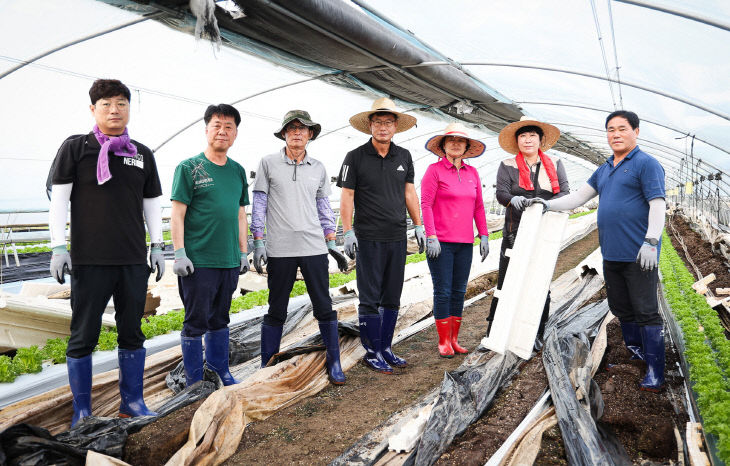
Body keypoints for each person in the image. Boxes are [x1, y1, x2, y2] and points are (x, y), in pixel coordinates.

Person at [523, 110, 666, 392]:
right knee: (622, 309)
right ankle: (635, 355)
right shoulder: (605, 168)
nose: (616, 134)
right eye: (611, 129)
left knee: (646, 311)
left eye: (622, 129)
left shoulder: (646, 164)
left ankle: (655, 369)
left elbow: (658, 204)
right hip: (611, 254)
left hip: (638, 255)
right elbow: (578, 197)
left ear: (636, 132)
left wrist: (651, 240)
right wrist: (547, 204)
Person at [48, 79, 163, 427]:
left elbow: (152, 203)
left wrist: (157, 246)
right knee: (84, 334)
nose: (114, 110)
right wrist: (58, 246)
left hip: (131, 259)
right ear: (93, 109)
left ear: (129, 108)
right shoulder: (76, 148)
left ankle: (132, 402)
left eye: (121, 103)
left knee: (132, 331)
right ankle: (82, 411)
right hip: (89, 259)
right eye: (106, 104)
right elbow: (59, 200)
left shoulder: (141, 153)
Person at [252, 110, 349, 385]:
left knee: (324, 305)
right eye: (292, 128)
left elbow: (322, 207)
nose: (297, 132)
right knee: (276, 309)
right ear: (284, 134)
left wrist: (331, 241)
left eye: (303, 128)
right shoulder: (268, 163)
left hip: (313, 246)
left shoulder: (318, 167)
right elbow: (259, 202)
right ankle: (266, 366)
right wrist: (258, 240)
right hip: (280, 248)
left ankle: (334, 362)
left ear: (310, 135)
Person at [337, 97, 426, 374]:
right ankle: (371, 350)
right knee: (370, 294)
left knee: (392, 294)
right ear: (370, 125)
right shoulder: (355, 157)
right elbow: (347, 195)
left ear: (396, 126)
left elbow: (409, 192)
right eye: (378, 122)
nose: (383, 127)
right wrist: (348, 231)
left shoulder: (404, 156)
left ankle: (386, 347)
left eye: (388, 122)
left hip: (397, 235)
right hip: (368, 236)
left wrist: (419, 224)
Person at [170, 104, 249, 388]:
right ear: (206, 130)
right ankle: (194, 381)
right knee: (195, 321)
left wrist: (243, 251)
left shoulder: (237, 171)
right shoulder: (189, 168)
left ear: (235, 133)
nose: (222, 131)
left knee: (220, 319)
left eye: (229, 127)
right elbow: (177, 214)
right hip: (198, 260)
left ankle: (220, 371)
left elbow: (240, 214)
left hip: (227, 260)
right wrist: (179, 253)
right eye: (217, 125)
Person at [488, 117, 570, 347]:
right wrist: (514, 198)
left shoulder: (554, 162)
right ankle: (495, 330)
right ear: (517, 141)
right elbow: (502, 193)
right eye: (523, 136)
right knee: (506, 280)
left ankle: (535, 332)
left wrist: (548, 205)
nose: (527, 140)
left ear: (541, 140)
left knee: (539, 281)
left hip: (544, 232)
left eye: (532, 135)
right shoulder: (507, 165)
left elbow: (565, 192)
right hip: (515, 230)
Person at [421, 123, 490, 358]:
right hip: (441, 242)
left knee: (459, 290)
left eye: (461, 141)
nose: (456, 144)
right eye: (450, 140)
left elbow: (478, 207)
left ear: (467, 147)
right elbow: (426, 204)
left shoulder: (473, 173)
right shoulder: (434, 170)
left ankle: (454, 339)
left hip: (464, 243)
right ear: (443, 145)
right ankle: (443, 341)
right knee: (443, 291)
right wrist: (431, 235)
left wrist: (484, 234)